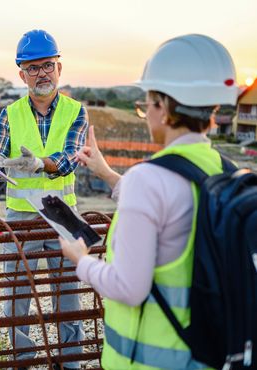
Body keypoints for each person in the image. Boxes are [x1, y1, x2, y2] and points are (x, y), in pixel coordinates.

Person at [59, 34, 239, 370]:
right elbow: (175, 205)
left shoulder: (149, 179)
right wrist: (108, 174)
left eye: (146, 104)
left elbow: (128, 288)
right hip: (205, 357)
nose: (145, 114)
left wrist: (81, 260)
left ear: (165, 108)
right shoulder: (223, 170)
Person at [0, 29, 88, 370]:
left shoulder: (77, 111)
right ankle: (23, 361)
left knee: (68, 295)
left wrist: (40, 163)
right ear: (21, 74)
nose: (41, 73)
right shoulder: (9, 114)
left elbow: (69, 159)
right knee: (16, 298)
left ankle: (70, 363)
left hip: (63, 218)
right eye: (32, 68)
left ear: (60, 67)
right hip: (21, 218)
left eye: (47, 65)